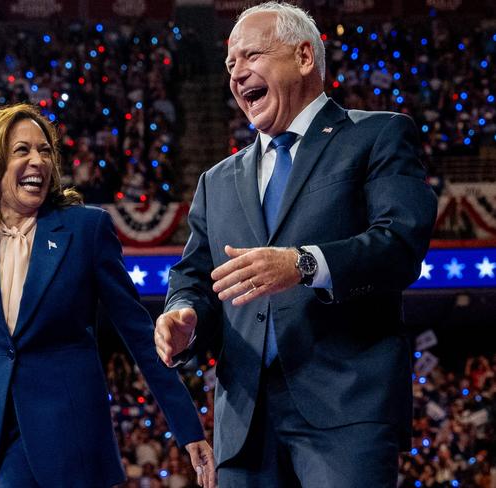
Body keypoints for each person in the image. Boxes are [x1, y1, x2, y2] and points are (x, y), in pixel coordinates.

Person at [154, 2, 438, 487]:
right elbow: (195, 277)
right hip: (243, 423)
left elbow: (400, 243)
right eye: (229, 65)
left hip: (346, 414)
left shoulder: (377, 135)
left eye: (251, 56)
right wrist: (184, 315)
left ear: (304, 57)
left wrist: (305, 264)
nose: (237, 73)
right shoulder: (216, 181)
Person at [0, 104, 215, 488]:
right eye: (22, 150)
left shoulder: (85, 229)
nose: (38, 161)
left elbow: (140, 334)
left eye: (45, 151)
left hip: (68, 436)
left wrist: (187, 427)